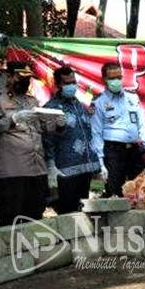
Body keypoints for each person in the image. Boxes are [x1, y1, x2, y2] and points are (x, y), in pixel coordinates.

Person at [0, 62, 63, 226]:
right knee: (11, 218)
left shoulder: (32, 101)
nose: (24, 81)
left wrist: (58, 124)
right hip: (13, 171)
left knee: (34, 218)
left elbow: (43, 129)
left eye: (27, 78)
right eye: (20, 77)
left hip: (37, 169)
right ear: (9, 76)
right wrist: (12, 120)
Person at [43, 65, 101, 213]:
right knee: (67, 212)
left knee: (81, 211)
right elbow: (47, 139)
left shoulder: (79, 105)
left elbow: (86, 134)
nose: (71, 86)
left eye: (73, 82)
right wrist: (51, 165)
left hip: (85, 168)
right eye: (67, 83)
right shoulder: (51, 108)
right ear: (59, 85)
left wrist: (96, 163)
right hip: (65, 169)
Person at [90, 62, 145, 197]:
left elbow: (142, 123)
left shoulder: (132, 98)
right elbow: (96, 133)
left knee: (142, 191)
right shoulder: (99, 102)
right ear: (104, 79)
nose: (116, 81)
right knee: (115, 192)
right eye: (112, 78)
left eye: (119, 77)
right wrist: (100, 162)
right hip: (113, 152)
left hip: (134, 150)